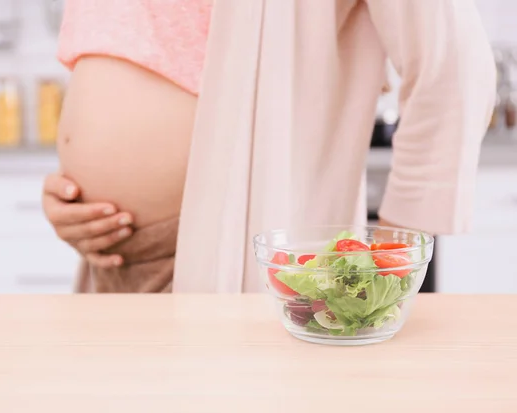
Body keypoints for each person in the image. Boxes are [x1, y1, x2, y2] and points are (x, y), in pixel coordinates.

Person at [43, 0, 496, 293]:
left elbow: (454, 68)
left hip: (244, 254)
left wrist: (386, 266)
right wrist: (75, 188)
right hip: (108, 259)